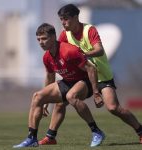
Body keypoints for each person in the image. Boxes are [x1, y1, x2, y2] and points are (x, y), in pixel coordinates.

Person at [39, 4, 142, 146]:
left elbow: (99, 50)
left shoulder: (89, 30)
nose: (63, 23)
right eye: (61, 19)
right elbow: (58, 53)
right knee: (61, 102)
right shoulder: (64, 35)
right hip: (83, 77)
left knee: (113, 108)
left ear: (75, 18)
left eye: (66, 19)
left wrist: (82, 54)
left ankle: (140, 131)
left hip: (101, 76)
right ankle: (50, 137)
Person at [13, 23, 105, 148]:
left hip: (86, 80)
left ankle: (96, 131)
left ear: (53, 37)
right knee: (37, 96)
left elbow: (91, 69)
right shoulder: (47, 57)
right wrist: (45, 102)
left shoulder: (69, 51)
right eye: (38, 39)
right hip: (68, 81)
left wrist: (96, 93)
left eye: (44, 38)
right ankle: (32, 138)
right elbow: (50, 77)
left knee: (71, 96)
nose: (41, 42)